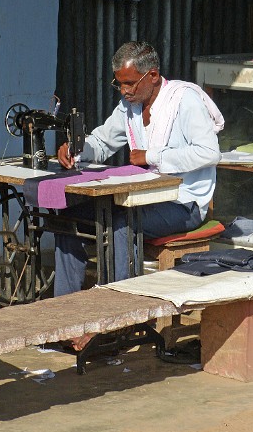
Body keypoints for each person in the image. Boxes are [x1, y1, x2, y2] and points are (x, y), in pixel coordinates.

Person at [55, 41, 224, 303]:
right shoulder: (129, 106)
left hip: (183, 204)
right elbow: (102, 142)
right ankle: (63, 310)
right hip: (142, 199)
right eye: (119, 84)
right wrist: (77, 150)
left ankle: (120, 309)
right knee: (69, 219)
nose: (124, 91)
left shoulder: (184, 101)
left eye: (129, 84)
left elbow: (209, 152)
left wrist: (152, 156)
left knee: (122, 223)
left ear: (153, 76)